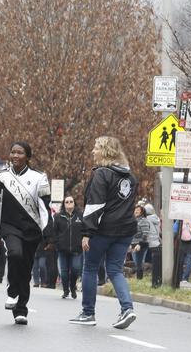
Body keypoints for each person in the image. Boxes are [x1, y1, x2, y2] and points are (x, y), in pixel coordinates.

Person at [69, 136, 138, 329]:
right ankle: (127, 308)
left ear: (105, 151)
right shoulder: (131, 177)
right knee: (115, 269)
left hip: (103, 230)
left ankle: (88, 313)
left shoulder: (102, 174)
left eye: (96, 148)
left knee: (90, 268)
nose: (93, 151)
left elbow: (95, 205)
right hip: (125, 230)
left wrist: (87, 232)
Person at [0, 141, 52, 325]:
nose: (15, 156)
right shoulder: (0, 177)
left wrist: (49, 234)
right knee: (15, 254)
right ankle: (12, 291)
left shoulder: (40, 177)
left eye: (20, 153)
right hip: (9, 227)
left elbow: (44, 209)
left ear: (28, 157)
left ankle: (21, 309)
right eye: (13, 152)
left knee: (25, 268)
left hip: (31, 229)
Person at [51, 195, 83, 299]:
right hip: (62, 249)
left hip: (76, 249)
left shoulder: (80, 216)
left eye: (71, 201)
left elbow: (85, 230)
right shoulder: (58, 216)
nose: (69, 203)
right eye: (67, 202)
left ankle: (72, 287)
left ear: (74, 203)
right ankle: (66, 290)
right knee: (63, 272)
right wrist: (57, 244)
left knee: (75, 269)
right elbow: (54, 232)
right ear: (64, 204)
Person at [174, 218, 191, 284]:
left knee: (180, 261)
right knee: (188, 261)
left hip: (181, 243)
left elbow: (174, 231)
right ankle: (185, 279)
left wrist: (176, 239)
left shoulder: (179, 220)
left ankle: (179, 278)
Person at [144, 204, 163, 287]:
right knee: (157, 265)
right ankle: (158, 282)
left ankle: (154, 283)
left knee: (149, 264)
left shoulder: (146, 220)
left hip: (149, 244)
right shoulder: (157, 219)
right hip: (157, 243)